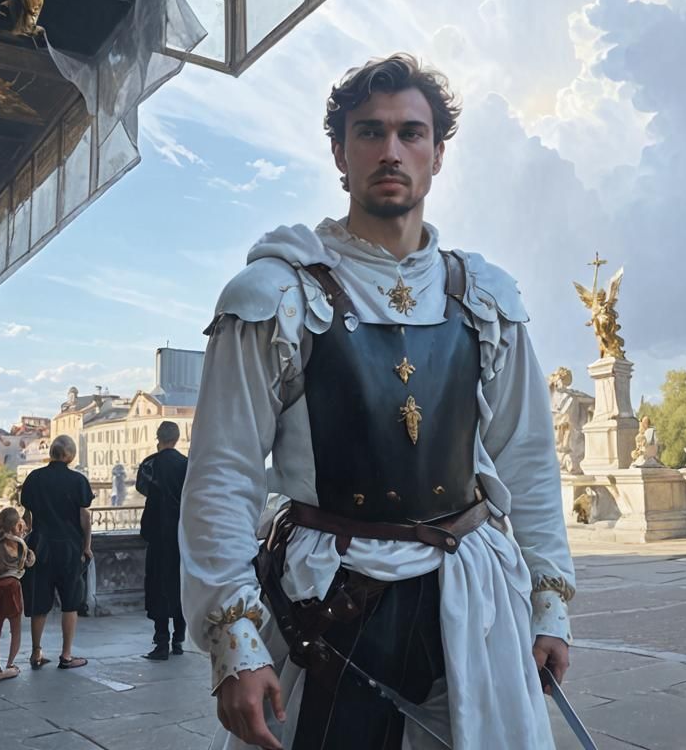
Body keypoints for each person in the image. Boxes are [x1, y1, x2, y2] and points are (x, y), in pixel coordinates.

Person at [180, 54, 575, 750]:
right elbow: (223, 473)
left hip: (473, 594)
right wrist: (235, 639)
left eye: (410, 133)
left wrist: (550, 601)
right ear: (339, 150)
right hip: (332, 603)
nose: (391, 151)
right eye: (369, 132)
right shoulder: (275, 295)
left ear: (437, 153)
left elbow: (529, 458)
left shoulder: (485, 297)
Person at [20, 434, 93, 669]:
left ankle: (36, 652)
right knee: (70, 601)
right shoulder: (78, 480)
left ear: (51, 453)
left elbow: (27, 517)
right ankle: (66, 654)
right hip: (69, 547)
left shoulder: (34, 478)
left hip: (40, 545)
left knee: (39, 601)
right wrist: (87, 546)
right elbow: (85, 517)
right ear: (70, 455)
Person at [136, 420, 189, 660]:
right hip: (181, 534)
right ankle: (179, 640)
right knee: (179, 586)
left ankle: (161, 642)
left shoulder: (150, 464)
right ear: (177, 438)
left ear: (158, 437)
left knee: (158, 587)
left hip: (157, 534)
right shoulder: (187, 465)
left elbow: (142, 489)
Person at [0, 507, 36, 681]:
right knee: (15, 628)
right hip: (12, 585)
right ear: (17, 525)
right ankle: (10, 663)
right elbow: (28, 563)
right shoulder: (19, 544)